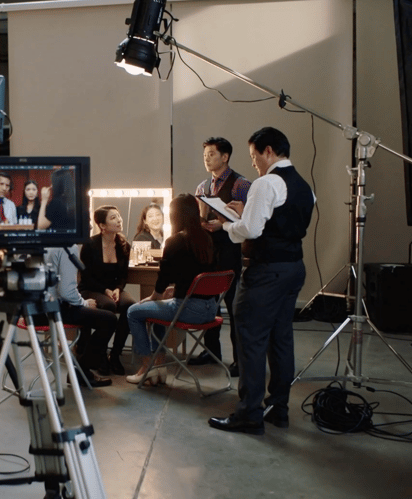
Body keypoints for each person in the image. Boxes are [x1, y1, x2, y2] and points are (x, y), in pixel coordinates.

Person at [209, 127, 315, 435]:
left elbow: (252, 230)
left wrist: (227, 225)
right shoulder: (304, 186)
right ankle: (278, 408)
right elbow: (279, 221)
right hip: (293, 268)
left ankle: (249, 414)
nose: (253, 162)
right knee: (281, 339)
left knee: (251, 339)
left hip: (266, 272)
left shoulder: (266, 182)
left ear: (268, 151)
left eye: (254, 155)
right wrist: (248, 213)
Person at [126, 194, 217, 385]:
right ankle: (159, 365)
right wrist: (174, 292)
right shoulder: (206, 238)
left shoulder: (175, 241)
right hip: (210, 310)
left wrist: (154, 296)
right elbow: (196, 277)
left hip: (187, 309)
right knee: (157, 310)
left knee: (133, 312)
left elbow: (163, 279)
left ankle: (147, 366)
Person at [191, 137, 251, 376]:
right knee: (209, 303)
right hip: (208, 253)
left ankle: (240, 360)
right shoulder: (202, 187)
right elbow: (197, 219)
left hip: (230, 250)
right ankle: (211, 351)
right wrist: (201, 221)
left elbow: (251, 220)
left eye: (212, 154)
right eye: (205, 155)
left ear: (225, 157)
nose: (207, 159)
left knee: (235, 307)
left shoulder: (241, 185)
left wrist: (224, 224)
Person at [37, 247, 118, 386]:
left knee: (88, 315)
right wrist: (84, 303)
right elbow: (66, 291)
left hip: (35, 310)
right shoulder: (68, 247)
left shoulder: (48, 241)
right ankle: (82, 371)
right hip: (54, 309)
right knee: (109, 320)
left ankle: (82, 360)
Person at [78, 205, 135, 375]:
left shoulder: (124, 245)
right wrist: (105, 290)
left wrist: (118, 289)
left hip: (113, 289)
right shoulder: (90, 245)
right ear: (102, 225)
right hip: (91, 288)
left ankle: (115, 354)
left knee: (130, 306)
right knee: (109, 306)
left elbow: (123, 275)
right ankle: (100, 354)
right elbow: (86, 276)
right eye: (113, 218)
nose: (119, 220)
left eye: (119, 216)